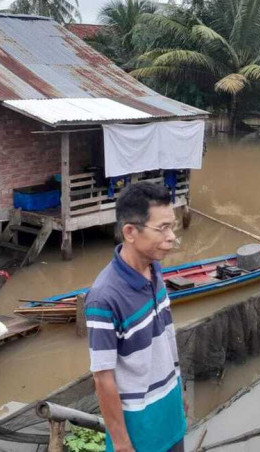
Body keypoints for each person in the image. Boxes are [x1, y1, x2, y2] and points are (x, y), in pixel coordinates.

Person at [85, 182, 186, 452]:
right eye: (162, 228)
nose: (171, 237)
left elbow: (165, 340)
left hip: (171, 412)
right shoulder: (103, 298)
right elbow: (102, 377)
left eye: (172, 226)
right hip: (140, 427)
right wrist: (121, 443)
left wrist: (179, 393)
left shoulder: (155, 269)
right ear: (130, 232)